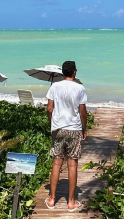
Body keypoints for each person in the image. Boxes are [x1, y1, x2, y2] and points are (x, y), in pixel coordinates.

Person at [44, 60, 87, 211]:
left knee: (57, 163)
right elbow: (82, 112)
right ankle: (71, 202)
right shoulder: (80, 88)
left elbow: (49, 109)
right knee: (72, 164)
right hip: (74, 129)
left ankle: (51, 199)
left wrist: (52, 125)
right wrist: (84, 129)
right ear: (75, 72)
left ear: (63, 72)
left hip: (58, 128)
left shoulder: (55, 86)